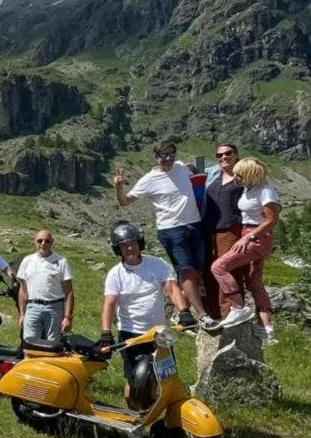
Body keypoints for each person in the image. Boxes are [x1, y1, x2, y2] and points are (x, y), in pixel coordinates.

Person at [113, 141, 214, 330]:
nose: (168, 159)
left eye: (171, 154)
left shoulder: (182, 168)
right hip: (171, 229)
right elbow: (125, 202)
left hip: (194, 224)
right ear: (156, 157)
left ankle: (180, 312)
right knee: (186, 271)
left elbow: (200, 176)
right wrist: (119, 187)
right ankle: (203, 316)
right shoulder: (149, 179)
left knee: (197, 271)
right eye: (163, 155)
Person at [98, 222, 189, 400]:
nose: (129, 248)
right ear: (117, 249)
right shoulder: (115, 274)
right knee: (133, 378)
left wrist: (184, 310)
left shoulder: (157, 264)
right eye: (123, 246)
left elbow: (171, 289)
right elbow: (109, 304)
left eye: (132, 243)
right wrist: (106, 332)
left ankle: (166, 408)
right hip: (131, 333)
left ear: (140, 243)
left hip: (159, 333)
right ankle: (133, 412)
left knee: (166, 374)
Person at [211, 158, 279, 342]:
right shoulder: (250, 188)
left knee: (218, 267)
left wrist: (248, 237)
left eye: (239, 175)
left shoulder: (265, 191)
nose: (236, 178)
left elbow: (271, 220)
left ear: (250, 174)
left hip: (256, 237)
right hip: (250, 233)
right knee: (254, 281)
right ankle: (267, 328)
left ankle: (238, 307)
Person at [201, 143, 243, 318]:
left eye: (228, 153)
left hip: (230, 229)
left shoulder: (242, 178)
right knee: (209, 271)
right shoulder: (214, 177)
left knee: (225, 270)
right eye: (219, 155)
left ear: (236, 155)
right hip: (209, 231)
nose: (224, 157)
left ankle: (230, 311)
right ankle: (214, 313)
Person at [16, 229, 74, 344]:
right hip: (32, 308)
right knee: (29, 344)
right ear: (34, 242)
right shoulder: (27, 261)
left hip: (54, 309)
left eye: (47, 241)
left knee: (53, 345)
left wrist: (68, 317)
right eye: (40, 240)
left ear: (52, 242)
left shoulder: (61, 262)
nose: (43, 243)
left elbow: (68, 292)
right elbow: (22, 290)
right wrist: (22, 314)